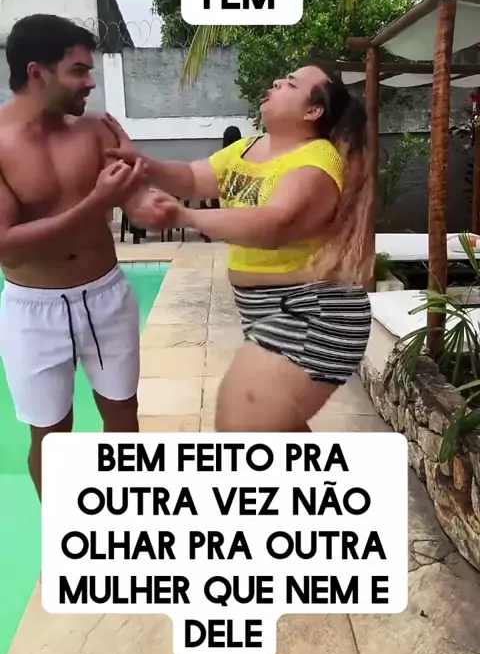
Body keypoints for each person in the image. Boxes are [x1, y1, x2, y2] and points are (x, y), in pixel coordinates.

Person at [106, 62, 374, 433]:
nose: (276, 81)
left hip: (312, 312)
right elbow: (193, 179)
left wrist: (186, 217)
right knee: (272, 428)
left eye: (290, 83)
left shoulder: (317, 160)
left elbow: (274, 225)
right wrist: (141, 161)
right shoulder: (249, 148)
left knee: (241, 425)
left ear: (312, 111)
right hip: (264, 309)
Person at [0, 14, 168, 497]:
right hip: (34, 310)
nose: (91, 82)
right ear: (37, 73)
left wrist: (141, 178)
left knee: (123, 414)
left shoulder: (96, 130)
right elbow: (6, 244)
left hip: (105, 296)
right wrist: (96, 202)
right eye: (78, 71)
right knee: (52, 435)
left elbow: (141, 208)